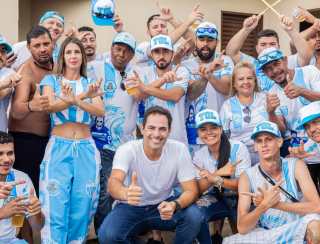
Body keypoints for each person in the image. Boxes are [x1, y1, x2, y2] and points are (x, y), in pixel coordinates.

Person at [98, 106, 203, 244]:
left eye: (162, 129)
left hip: (164, 204)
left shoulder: (179, 149)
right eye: (151, 128)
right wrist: (125, 193)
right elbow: (114, 183)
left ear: (169, 131)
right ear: (142, 129)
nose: (156, 134)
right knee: (107, 235)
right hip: (131, 206)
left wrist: (175, 205)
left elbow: (191, 190)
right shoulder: (127, 150)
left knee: (194, 217)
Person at [39, 37, 104, 243]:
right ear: (62, 57)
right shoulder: (51, 80)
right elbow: (50, 106)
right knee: (55, 205)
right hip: (59, 146)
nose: (73, 56)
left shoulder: (88, 82)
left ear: (82, 57)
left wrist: (76, 98)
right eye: (69, 52)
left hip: (86, 148)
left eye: (77, 52)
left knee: (83, 206)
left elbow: (100, 111)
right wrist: (81, 97)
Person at [224, 121, 320, 243]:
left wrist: (276, 205)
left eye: (269, 139)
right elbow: (242, 227)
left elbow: (316, 206)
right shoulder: (246, 176)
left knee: (316, 227)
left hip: (295, 227)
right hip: (268, 233)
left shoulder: (296, 165)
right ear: (255, 146)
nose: (264, 144)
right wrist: (263, 206)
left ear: (280, 142)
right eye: (259, 141)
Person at [88, 31, 139, 232]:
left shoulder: (135, 74)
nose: (121, 54)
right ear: (111, 49)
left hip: (126, 146)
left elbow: (139, 99)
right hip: (102, 144)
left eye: (127, 51)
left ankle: (118, 233)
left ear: (132, 55)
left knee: (124, 194)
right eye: (118, 49)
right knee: (105, 195)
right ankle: (104, 235)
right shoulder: (95, 68)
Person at [193, 109, 251, 243]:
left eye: (213, 127)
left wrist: (213, 178)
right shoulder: (199, 155)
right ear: (198, 132)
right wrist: (218, 174)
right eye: (203, 129)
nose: (209, 133)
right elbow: (197, 190)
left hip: (239, 197)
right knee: (194, 214)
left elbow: (243, 186)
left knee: (244, 235)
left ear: (221, 129)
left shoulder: (237, 148)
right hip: (215, 196)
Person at [9, 25, 54, 194]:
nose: (42, 49)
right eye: (37, 45)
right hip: (25, 143)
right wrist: (31, 105)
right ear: (29, 47)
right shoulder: (26, 72)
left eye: (46, 44)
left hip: (47, 141)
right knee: (27, 195)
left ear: (52, 44)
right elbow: (16, 111)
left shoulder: (55, 67)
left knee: (45, 194)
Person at [257, 47, 320, 156]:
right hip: (296, 147)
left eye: (277, 64)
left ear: (285, 60)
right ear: (265, 73)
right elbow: (282, 130)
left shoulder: (309, 72)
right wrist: (271, 113)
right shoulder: (271, 93)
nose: (275, 71)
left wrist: (302, 91)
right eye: (268, 69)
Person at [226, 14, 313, 91]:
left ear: (278, 46)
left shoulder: (286, 62)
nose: (268, 48)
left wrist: (291, 30)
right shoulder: (252, 65)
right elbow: (231, 52)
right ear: (257, 48)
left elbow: (306, 55)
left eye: (272, 44)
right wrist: (246, 29)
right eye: (263, 44)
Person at [183, 21, 234, 152]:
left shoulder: (225, 61)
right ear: (195, 40)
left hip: (218, 132)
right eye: (201, 39)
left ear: (216, 42)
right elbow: (190, 94)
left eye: (210, 40)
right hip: (192, 134)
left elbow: (226, 88)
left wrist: (209, 74)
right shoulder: (186, 65)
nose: (205, 44)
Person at [219, 61, 284, 165]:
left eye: (249, 78)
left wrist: (271, 113)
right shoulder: (227, 106)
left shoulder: (267, 98)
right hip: (239, 160)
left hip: (268, 158)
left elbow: (281, 130)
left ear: (255, 81)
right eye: (241, 79)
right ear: (234, 84)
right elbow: (223, 139)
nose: (246, 82)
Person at [131, 34, 190, 145]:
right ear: (152, 54)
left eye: (166, 51)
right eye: (157, 51)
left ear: (172, 53)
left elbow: (175, 96)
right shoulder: (143, 72)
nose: (161, 55)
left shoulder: (181, 71)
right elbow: (137, 96)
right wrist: (162, 80)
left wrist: (145, 88)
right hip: (151, 139)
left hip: (176, 140)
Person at [0, 131, 44, 244]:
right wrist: (2, 213)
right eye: (0, 154)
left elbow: (37, 227)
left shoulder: (22, 179)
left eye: (10, 153)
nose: (6, 159)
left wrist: (36, 212)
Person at [135, 4, 203, 64]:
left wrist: (172, 20)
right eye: (155, 27)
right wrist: (188, 22)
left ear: (167, 31)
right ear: (148, 32)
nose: (160, 29)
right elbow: (161, 43)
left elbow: (198, 43)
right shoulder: (142, 47)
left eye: (163, 26)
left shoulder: (178, 48)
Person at [289, 101, 320, 192]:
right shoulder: (307, 147)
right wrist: (298, 161)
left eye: (316, 122)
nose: (312, 129)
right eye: (307, 126)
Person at [0, 35, 21, 132]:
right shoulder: (8, 78)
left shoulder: (9, 74)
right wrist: (4, 84)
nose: (0, 55)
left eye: (3, 51)